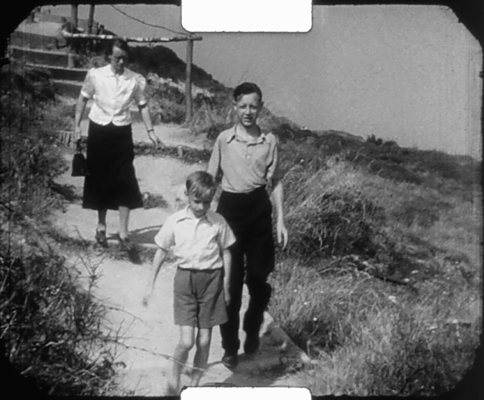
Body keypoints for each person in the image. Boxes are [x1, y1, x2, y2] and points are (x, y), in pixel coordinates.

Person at [207, 82, 289, 369]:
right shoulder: (223, 140)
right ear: (234, 106)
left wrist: (280, 219)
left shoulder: (270, 141)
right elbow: (209, 179)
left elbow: (275, 181)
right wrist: (201, 222)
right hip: (229, 211)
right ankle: (230, 347)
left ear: (261, 108)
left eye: (253, 106)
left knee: (258, 280)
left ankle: (252, 328)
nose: (248, 112)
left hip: (258, 210)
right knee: (230, 285)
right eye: (242, 106)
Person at [142, 171, 235, 393]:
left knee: (204, 342)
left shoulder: (217, 222)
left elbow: (227, 252)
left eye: (207, 202)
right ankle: (174, 377)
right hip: (185, 281)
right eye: (197, 201)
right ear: (187, 195)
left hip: (212, 281)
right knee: (187, 341)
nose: (202, 206)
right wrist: (150, 284)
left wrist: (227, 285)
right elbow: (161, 251)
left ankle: (193, 386)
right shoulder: (175, 221)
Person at [74, 38, 162, 250]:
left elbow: (143, 106)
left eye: (124, 58)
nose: (121, 62)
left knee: (125, 178)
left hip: (122, 132)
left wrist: (151, 131)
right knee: (99, 177)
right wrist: (77, 126)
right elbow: (82, 99)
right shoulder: (96, 75)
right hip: (99, 130)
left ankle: (123, 231)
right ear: (109, 57)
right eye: (117, 58)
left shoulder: (133, 80)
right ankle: (101, 225)